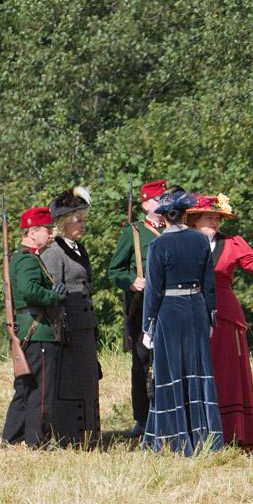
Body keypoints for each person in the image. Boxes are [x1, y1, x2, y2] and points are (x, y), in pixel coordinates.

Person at [185, 194, 253, 453]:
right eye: (210, 217)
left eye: (218, 218)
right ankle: (198, 433)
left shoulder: (232, 243)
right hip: (192, 315)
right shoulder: (183, 244)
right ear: (195, 220)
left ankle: (234, 435)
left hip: (226, 317)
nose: (215, 222)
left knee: (228, 373)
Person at [141, 190, 223, 455]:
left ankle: (172, 438)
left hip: (170, 311)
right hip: (197, 308)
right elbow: (209, 283)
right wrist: (211, 313)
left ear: (164, 218)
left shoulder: (158, 246)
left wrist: (147, 324)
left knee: (171, 371)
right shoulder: (200, 242)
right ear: (185, 215)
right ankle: (204, 436)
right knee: (197, 369)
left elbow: (153, 290)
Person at [1, 207, 68, 447]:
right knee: (41, 392)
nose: (51, 234)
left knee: (25, 387)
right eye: (47, 230)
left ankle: (11, 437)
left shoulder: (25, 257)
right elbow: (29, 290)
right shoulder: (27, 259)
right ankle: (36, 441)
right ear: (32, 232)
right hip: (38, 332)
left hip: (31, 331)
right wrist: (53, 297)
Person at [40, 187, 100, 447]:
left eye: (83, 220)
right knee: (70, 381)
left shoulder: (79, 247)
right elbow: (53, 290)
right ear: (64, 223)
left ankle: (89, 434)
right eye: (79, 220)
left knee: (87, 380)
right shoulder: (54, 251)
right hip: (68, 326)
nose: (83, 225)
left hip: (85, 323)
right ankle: (70, 437)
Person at [107, 179, 166, 436]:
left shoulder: (176, 228)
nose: (163, 203)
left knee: (169, 361)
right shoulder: (133, 232)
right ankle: (142, 418)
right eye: (159, 199)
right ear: (145, 205)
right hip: (142, 307)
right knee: (142, 362)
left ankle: (167, 413)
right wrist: (132, 281)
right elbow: (114, 270)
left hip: (171, 305)